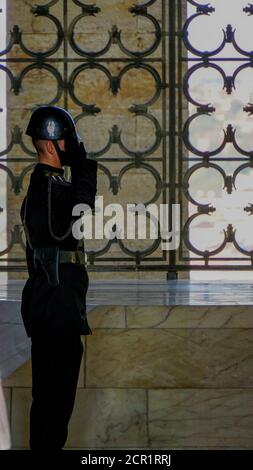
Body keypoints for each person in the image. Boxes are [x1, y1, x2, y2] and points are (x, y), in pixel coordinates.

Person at [20, 106, 97, 450]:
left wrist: (79, 171)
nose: (71, 147)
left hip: (55, 306)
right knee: (54, 402)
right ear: (51, 144)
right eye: (66, 140)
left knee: (53, 401)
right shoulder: (47, 187)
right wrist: (84, 168)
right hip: (55, 308)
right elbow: (79, 213)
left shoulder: (50, 186)